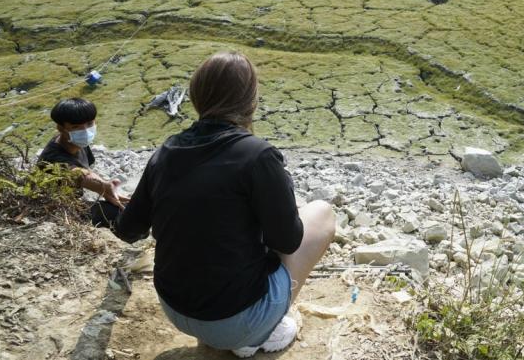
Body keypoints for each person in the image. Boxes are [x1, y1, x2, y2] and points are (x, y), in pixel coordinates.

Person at [114, 52, 335, 356]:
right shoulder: (258, 155)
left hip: (175, 309)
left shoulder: (166, 151)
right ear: (251, 101)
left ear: (196, 97)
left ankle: (243, 328)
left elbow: (129, 229)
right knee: (320, 213)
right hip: (234, 323)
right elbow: (287, 240)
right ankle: (259, 334)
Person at [38, 98, 129, 228]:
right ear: (61, 128)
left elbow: (88, 171)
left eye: (90, 123)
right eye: (76, 127)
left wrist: (105, 189)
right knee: (121, 214)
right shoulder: (53, 158)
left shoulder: (77, 142)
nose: (85, 130)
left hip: (72, 200)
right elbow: (78, 174)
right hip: (56, 210)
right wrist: (103, 186)